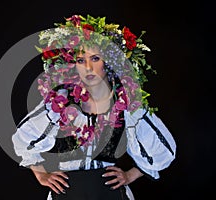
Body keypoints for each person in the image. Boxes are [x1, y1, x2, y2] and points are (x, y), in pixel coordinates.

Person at [12, 14, 176, 200]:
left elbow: (163, 149)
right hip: (68, 194)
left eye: (95, 58)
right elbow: (23, 139)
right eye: (81, 60)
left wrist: (130, 175)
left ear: (108, 63)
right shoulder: (61, 101)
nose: (88, 67)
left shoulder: (126, 104)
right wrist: (41, 174)